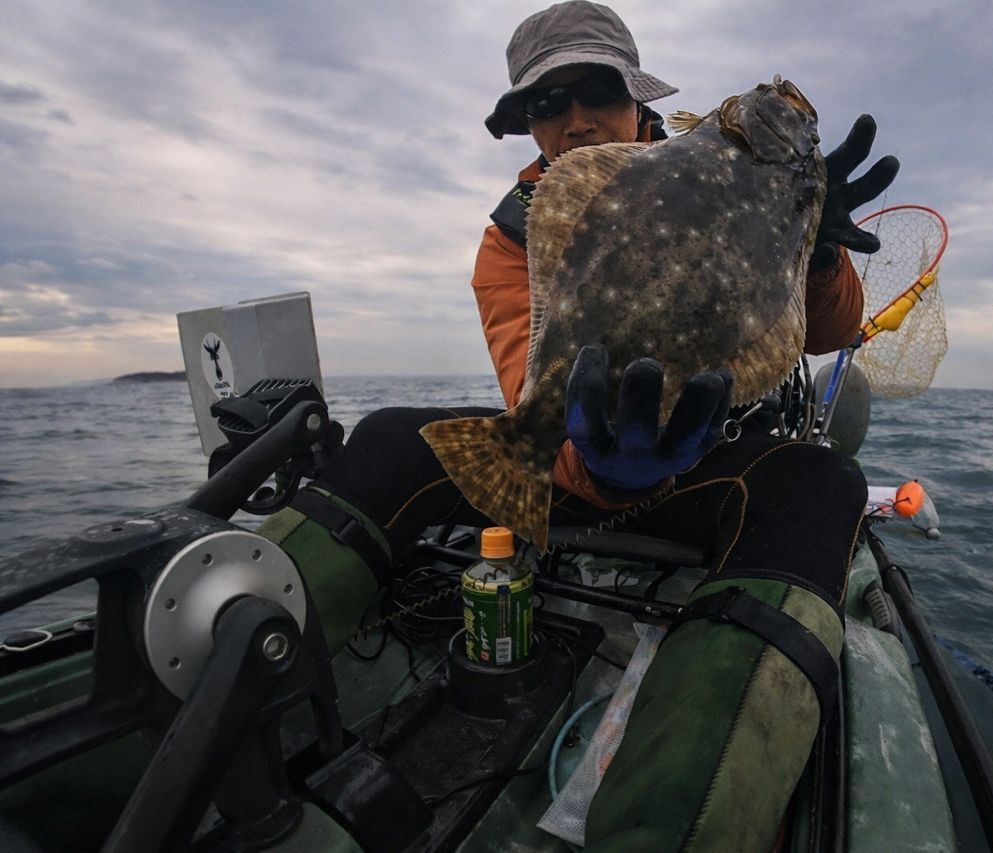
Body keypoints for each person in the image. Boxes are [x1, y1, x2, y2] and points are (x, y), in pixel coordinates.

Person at [260, 2, 898, 849]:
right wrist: (595, 464)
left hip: (703, 461)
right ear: (526, 126)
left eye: (594, 91)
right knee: (383, 440)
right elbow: (532, 385)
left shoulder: (726, 173)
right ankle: (226, 691)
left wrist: (816, 252)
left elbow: (824, 332)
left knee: (822, 485)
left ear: (638, 99)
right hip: (574, 460)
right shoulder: (509, 237)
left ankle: (673, 825)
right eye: (544, 105)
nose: (573, 120)